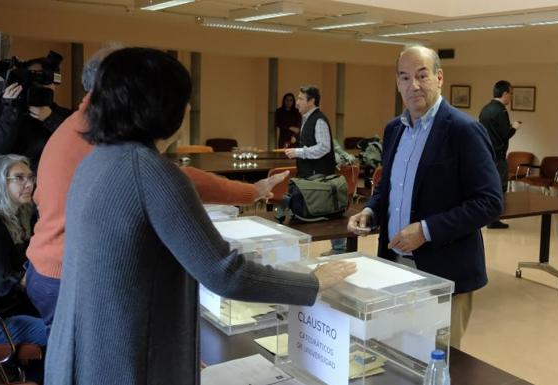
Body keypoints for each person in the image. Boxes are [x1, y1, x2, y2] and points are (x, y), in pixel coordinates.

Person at [44, 47, 356, 385]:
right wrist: (313, 282)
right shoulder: (152, 173)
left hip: (83, 358)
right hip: (125, 365)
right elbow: (225, 274)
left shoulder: (96, 161)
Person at [25, 47, 288, 332]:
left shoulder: (82, 126)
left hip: (50, 266)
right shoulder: (105, 135)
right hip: (69, 274)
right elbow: (221, 269)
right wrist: (251, 192)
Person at [347, 46, 502, 349]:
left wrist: (426, 230)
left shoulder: (464, 130)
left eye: (421, 75)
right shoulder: (394, 129)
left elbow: (489, 202)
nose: (413, 85)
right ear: (397, 83)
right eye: (404, 77)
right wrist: (370, 211)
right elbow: (388, 188)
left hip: (444, 274)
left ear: (439, 77)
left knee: (436, 362)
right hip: (393, 267)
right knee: (394, 355)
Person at [0, 154, 46, 347]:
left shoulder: (16, 218)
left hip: (9, 312)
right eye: (19, 178)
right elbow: (2, 284)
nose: (29, 184)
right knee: (61, 333)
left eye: (30, 177)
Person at [283, 86, 343, 254]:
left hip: (319, 175)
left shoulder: (319, 120)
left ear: (312, 101)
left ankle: (339, 248)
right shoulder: (308, 118)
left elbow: (324, 147)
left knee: (328, 213)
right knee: (316, 211)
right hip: (310, 175)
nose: (297, 103)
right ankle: (334, 248)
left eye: (301, 99)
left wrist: (298, 151)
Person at [0, 52, 72, 170]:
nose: (37, 83)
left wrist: (50, 118)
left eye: (42, 78)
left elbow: (77, 142)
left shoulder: (62, 116)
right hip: (5, 182)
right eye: (30, 76)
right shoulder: (6, 108)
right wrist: (10, 109)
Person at [479, 80, 522, 229]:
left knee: (488, 187)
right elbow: (506, 134)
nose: (511, 97)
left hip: (485, 155)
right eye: (511, 93)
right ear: (504, 94)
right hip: (498, 157)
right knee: (500, 188)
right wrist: (515, 127)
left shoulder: (485, 110)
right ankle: (494, 219)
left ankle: (485, 217)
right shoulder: (501, 111)